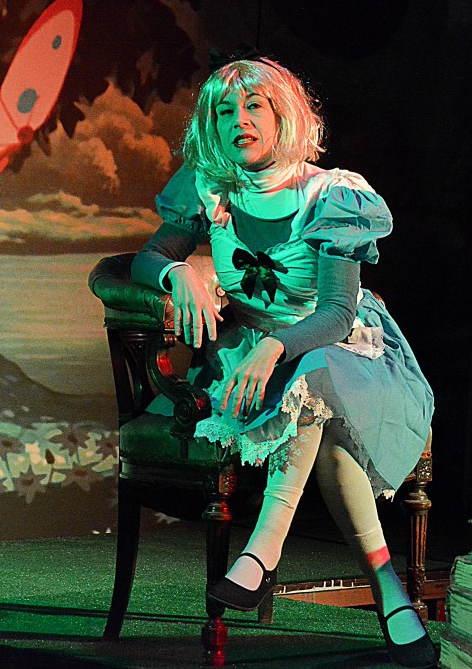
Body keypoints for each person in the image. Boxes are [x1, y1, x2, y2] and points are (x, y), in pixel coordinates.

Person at [132, 54, 437, 668]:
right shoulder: (209, 185)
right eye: (225, 111)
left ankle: (262, 550)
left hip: (342, 352)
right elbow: (147, 257)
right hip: (249, 355)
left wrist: (275, 348)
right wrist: (177, 272)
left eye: (254, 107)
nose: (239, 121)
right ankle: (390, 594)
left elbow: (336, 315)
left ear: (283, 116)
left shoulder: (332, 194)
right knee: (328, 444)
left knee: (313, 375)